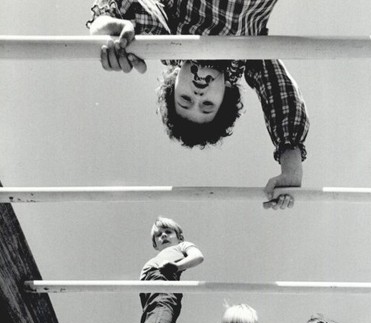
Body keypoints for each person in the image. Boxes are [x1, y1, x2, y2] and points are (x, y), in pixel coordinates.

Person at [87, 0, 310, 209]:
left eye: (185, 100)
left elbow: (137, 9)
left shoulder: (170, 40)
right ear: (225, 95)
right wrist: (291, 165)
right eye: (207, 104)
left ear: (174, 81)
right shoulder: (246, 57)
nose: (197, 94)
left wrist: (107, 23)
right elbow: (279, 91)